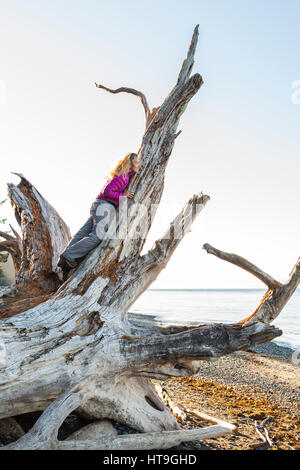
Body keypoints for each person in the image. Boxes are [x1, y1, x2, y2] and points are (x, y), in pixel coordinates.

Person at [58, 152, 139, 269]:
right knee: (98, 236)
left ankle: (64, 259)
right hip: (104, 205)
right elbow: (108, 191)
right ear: (130, 164)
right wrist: (123, 195)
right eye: (136, 162)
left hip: (99, 205)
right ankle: (68, 255)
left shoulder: (123, 175)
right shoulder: (123, 176)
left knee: (82, 233)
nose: (139, 165)